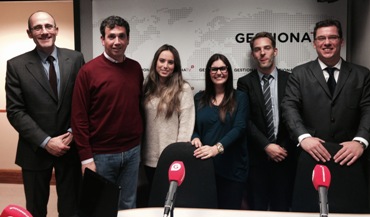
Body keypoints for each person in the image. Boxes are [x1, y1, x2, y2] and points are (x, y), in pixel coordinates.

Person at [281, 19, 370, 213]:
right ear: (314, 43)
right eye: (321, 38)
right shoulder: (299, 73)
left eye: (332, 37)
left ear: (341, 41)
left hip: (349, 156)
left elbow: (368, 109)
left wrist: (360, 141)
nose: (327, 42)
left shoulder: (362, 75)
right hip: (312, 155)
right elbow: (289, 106)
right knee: (309, 210)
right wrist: (303, 138)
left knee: (352, 211)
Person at [5, 11, 84, 217]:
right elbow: (15, 111)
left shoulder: (75, 59)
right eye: (38, 28)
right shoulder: (16, 65)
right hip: (35, 150)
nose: (44, 31)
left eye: (49, 26)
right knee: (36, 209)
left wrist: (73, 132)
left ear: (56, 29)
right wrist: (46, 141)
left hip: (70, 147)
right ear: (29, 33)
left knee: (71, 208)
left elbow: (83, 102)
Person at [71, 15, 143, 210]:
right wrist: (86, 159)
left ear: (128, 39)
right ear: (102, 39)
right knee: (102, 206)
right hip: (101, 155)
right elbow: (79, 118)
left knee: (128, 203)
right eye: (111, 36)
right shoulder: (88, 71)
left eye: (122, 36)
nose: (117, 42)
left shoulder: (135, 68)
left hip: (132, 151)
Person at [237, 32, 296, 211]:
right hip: (257, 160)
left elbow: (295, 116)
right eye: (257, 49)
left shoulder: (291, 79)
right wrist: (266, 146)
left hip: (286, 158)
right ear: (253, 55)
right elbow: (245, 120)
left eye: (267, 48)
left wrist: (281, 147)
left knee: (283, 209)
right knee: (258, 209)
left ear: (275, 51)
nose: (262, 53)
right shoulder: (244, 83)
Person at [191, 53, 249, 209]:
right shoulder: (199, 98)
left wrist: (217, 148)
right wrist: (195, 137)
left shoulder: (240, 97)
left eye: (223, 68)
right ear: (208, 72)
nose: (219, 73)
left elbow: (240, 128)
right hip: (205, 167)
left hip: (232, 169)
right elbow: (194, 127)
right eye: (214, 69)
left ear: (228, 71)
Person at [142, 44, 195, 187]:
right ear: (155, 63)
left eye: (170, 62)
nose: (165, 65)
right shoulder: (146, 88)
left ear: (175, 66)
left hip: (171, 158)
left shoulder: (183, 89)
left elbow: (186, 125)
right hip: (147, 158)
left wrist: (177, 155)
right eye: (162, 61)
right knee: (151, 202)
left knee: (168, 200)